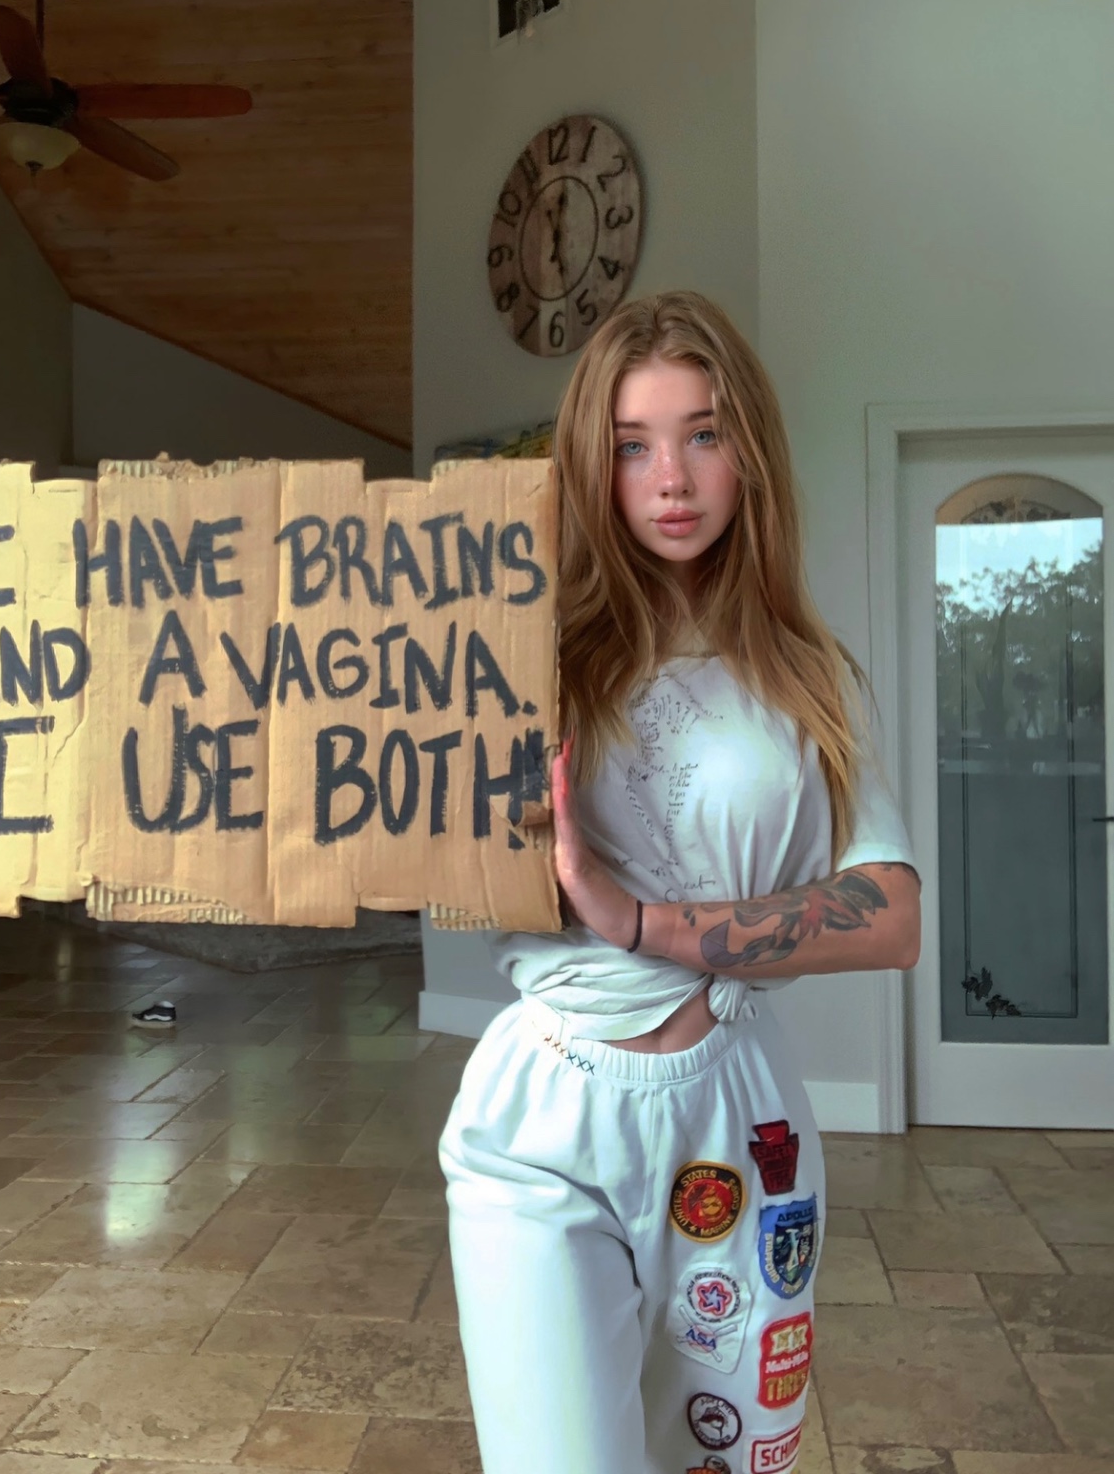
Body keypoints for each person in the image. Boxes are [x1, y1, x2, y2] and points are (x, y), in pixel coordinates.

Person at [437, 291, 921, 1474]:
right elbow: (343, 802)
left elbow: (891, 918)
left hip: (738, 1118)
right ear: (589, 466)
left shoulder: (807, 679)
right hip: (542, 1115)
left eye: (703, 434)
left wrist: (639, 919)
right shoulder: (522, 653)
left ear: (748, 450)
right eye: (630, 445)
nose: (671, 478)